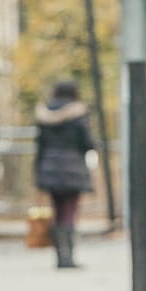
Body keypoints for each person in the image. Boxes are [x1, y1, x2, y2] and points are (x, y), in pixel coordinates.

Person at [33, 80, 96, 269]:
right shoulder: (79, 114)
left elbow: (40, 145)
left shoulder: (44, 114)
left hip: (49, 167)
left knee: (57, 210)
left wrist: (38, 172)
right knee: (69, 212)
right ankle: (68, 257)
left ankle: (60, 256)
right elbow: (88, 142)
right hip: (73, 168)